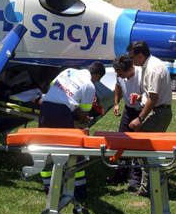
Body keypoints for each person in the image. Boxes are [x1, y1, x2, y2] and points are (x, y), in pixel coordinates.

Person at [38, 61, 106, 200]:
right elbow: (83, 112)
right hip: (61, 114)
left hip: (45, 108)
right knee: (73, 150)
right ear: (97, 76)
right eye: (98, 79)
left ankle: (48, 187)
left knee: (46, 148)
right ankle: (78, 190)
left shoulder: (69, 71)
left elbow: (52, 87)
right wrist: (85, 119)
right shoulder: (89, 85)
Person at [127, 40, 173, 194]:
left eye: (132, 57)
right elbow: (151, 96)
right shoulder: (150, 65)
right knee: (148, 150)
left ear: (140, 55)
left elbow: (153, 99)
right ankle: (155, 182)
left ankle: (149, 186)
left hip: (159, 113)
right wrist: (141, 97)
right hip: (159, 111)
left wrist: (139, 118)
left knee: (144, 148)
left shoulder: (153, 69)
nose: (131, 60)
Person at [106, 54, 144, 186]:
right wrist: (116, 103)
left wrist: (140, 98)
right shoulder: (119, 75)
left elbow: (151, 95)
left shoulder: (142, 74)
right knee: (121, 142)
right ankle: (120, 175)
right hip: (128, 110)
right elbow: (118, 86)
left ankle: (136, 179)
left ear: (129, 70)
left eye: (121, 74)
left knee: (138, 146)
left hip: (142, 111)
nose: (119, 76)